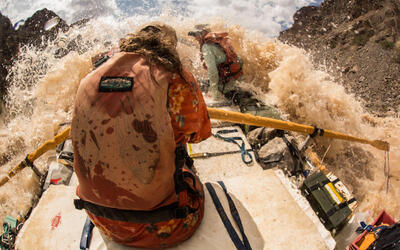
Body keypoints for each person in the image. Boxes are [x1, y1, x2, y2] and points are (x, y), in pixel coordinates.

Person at [71, 22, 211, 248]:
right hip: (165, 223)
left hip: (100, 218)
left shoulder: (93, 73)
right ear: (169, 47)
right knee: (187, 170)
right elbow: (197, 134)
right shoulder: (175, 76)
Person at [188, 25, 243, 101]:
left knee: (201, 87)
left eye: (196, 34)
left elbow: (213, 72)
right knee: (202, 82)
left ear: (204, 33)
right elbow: (239, 60)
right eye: (194, 35)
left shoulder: (206, 47)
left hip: (229, 84)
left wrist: (213, 95)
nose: (195, 37)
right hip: (235, 78)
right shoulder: (216, 44)